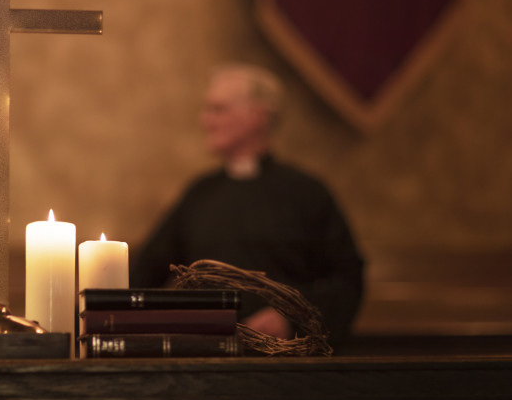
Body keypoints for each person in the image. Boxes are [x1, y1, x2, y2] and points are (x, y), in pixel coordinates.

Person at [130, 63, 364, 344]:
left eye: (218, 109)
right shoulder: (200, 194)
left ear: (258, 116)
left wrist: (292, 318)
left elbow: (348, 281)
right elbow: (146, 271)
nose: (206, 120)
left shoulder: (307, 193)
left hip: (285, 361)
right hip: (206, 355)